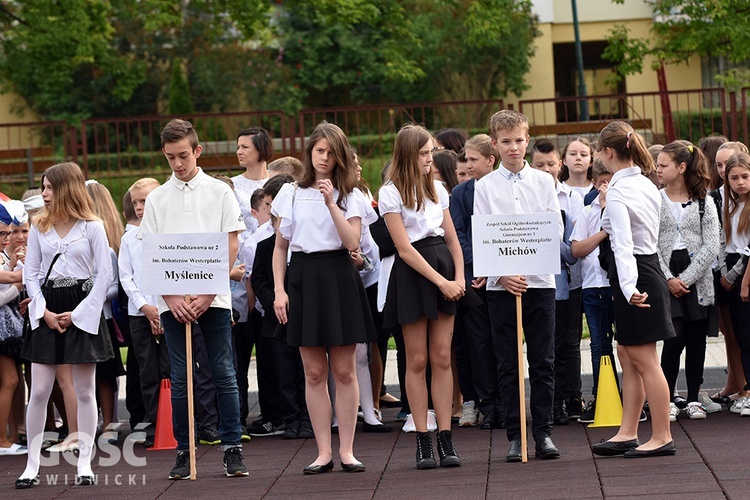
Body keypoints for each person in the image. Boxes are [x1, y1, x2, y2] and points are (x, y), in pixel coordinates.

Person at [139, 119, 248, 479]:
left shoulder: (219, 192)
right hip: (174, 301)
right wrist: (171, 297)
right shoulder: (156, 198)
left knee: (224, 373)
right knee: (182, 378)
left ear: (197, 151)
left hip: (212, 299)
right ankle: (185, 450)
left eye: (183, 155)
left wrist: (208, 292)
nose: (177, 164)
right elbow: (151, 252)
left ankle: (232, 448)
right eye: (170, 157)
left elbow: (231, 243)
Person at [271, 121, 378, 474]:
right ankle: (323, 452)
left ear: (339, 156)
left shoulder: (353, 195)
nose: (324, 158)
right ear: (310, 152)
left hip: (338, 276)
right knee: (314, 372)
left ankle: (346, 450)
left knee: (345, 370)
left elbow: (353, 243)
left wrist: (331, 202)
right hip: (302, 276)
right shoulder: (289, 192)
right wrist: (279, 290)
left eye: (331, 152)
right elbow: (280, 247)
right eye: (319, 151)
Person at [16, 162, 115, 488]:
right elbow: (30, 274)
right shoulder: (38, 227)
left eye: (49, 187)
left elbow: (104, 275)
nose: (44, 194)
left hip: (82, 307)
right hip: (47, 309)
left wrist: (80, 313)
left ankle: (84, 461)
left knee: (85, 390)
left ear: (66, 189)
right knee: (40, 390)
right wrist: (43, 312)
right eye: (43, 187)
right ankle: (32, 465)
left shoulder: (93, 227)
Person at [474, 110, 562, 462]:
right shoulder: (484, 186)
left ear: (527, 141)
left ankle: (543, 433)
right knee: (508, 362)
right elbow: (484, 234)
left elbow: (553, 230)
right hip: (502, 287)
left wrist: (531, 261)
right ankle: (515, 434)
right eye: (506, 141)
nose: (514, 147)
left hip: (539, 283)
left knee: (543, 359)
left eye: (519, 140)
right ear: (494, 144)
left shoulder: (544, 182)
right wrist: (501, 274)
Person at [380, 123, 467, 469]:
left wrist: (458, 276)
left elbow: (451, 238)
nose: (432, 158)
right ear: (407, 155)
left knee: (443, 357)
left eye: (431, 152)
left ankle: (446, 438)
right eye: (425, 153)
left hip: (443, 267)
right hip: (413, 275)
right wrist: (442, 282)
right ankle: (422, 441)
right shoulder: (390, 192)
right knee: (416, 360)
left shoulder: (439, 188)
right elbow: (403, 249)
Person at [591, 122, 676, 458]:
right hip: (646, 269)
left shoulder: (621, 191)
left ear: (607, 152)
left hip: (636, 273)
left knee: (644, 360)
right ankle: (628, 432)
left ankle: (661, 436)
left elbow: (623, 246)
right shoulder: (643, 183)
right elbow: (618, 229)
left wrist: (627, 288)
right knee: (628, 354)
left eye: (598, 150)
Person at [654, 140, 721, 421]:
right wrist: (669, 278)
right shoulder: (654, 199)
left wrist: (688, 277)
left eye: (663, 165)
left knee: (696, 339)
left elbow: (712, 244)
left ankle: (694, 398)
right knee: (674, 337)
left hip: (698, 277)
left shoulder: (704, 201)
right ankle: (667, 398)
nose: (657, 169)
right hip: (666, 276)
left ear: (681, 168)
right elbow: (651, 244)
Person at [249, 174, 312, 439]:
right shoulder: (265, 247)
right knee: (283, 370)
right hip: (276, 318)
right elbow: (259, 279)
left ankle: (308, 418)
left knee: (307, 368)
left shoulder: (302, 244)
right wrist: (272, 300)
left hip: (304, 313)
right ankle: (290, 418)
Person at [529, 138, 584, 425]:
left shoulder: (571, 199)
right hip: (536, 282)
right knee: (544, 346)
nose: (547, 170)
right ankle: (550, 405)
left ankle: (570, 396)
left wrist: (545, 237)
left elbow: (572, 250)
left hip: (566, 282)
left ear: (560, 165)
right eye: (540, 165)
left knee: (568, 342)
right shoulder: (527, 195)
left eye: (551, 164)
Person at [450, 134, 503, 430]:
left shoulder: (505, 189)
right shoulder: (460, 194)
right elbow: (458, 235)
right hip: (475, 280)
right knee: (479, 343)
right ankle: (489, 403)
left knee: (504, 342)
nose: (468, 165)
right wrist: (481, 265)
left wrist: (495, 266)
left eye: (472, 160)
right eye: (466, 160)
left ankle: (509, 402)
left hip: (505, 278)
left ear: (489, 160)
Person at [119, 178, 170, 448]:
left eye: (145, 201)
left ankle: (178, 422)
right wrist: (145, 307)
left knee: (171, 369)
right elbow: (126, 278)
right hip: (139, 314)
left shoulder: (170, 235)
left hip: (168, 310)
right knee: (148, 371)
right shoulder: (128, 239)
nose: (139, 207)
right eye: (136, 202)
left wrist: (160, 308)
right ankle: (153, 424)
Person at [571, 159, 617, 423]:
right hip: (594, 287)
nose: (607, 188)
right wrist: (603, 231)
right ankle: (601, 395)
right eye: (603, 183)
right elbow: (577, 249)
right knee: (600, 345)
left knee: (629, 345)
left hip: (620, 286)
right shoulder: (589, 212)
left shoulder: (625, 209)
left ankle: (634, 398)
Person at [86, 180, 126, 439]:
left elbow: (114, 286)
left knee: (105, 373)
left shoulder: (107, 248)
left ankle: (109, 422)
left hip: (102, 318)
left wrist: (92, 296)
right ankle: (92, 422)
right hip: (84, 318)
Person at [711, 141, 750, 407]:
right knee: (740, 333)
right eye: (732, 177)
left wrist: (740, 279)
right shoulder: (729, 206)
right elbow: (724, 243)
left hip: (745, 272)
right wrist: (726, 273)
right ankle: (742, 387)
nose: (739, 182)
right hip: (733, 273)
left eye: (744, 176)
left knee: (747, 334)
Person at [0, 201, 26, 455]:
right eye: (2, 233)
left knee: (13, 381)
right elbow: (9, 284)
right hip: (2, 329)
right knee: (10, 380)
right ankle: (3, 440)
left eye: (8, 233)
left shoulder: (2, 255)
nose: (7, 239)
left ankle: (11, 434)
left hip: (7, 326)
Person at [232, 127, 273, 233]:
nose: (239, 152)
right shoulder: (232, 185)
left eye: (245, 147)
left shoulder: (277, 181)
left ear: (261, 149)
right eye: (238, 147)